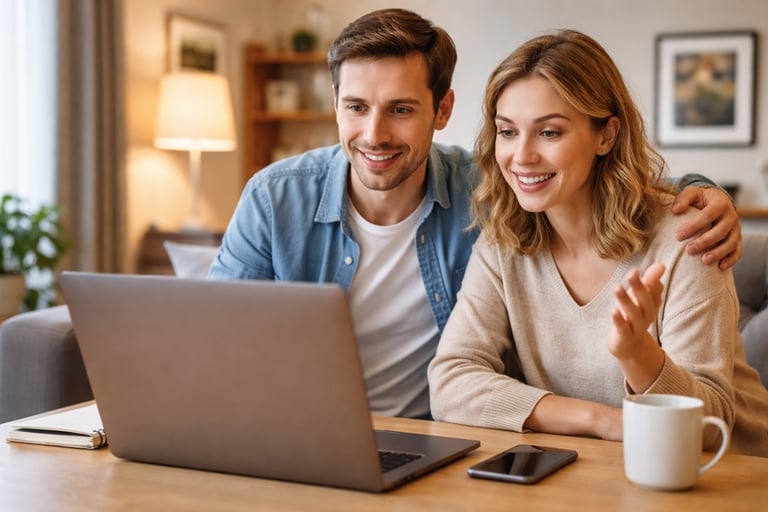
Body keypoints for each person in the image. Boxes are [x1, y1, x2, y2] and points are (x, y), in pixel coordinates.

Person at [209, 9, 742, 420]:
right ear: (335, 103)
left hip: (716, 471)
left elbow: (630, 193)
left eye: (400, 109)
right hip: (305, 435)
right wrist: (603, 422)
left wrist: (703, 191)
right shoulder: (503, 223)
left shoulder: (484, 197)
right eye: (356, 107)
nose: (374, 135)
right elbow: (211, 341)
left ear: (442, 111)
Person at [427, 30, 768, 456]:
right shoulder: (503, 244)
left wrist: (637, 352)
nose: (522, 156)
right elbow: (450, 383)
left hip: (729, 477)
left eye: (550, 133)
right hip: (600, 469)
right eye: (507, 132)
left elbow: (710, 427)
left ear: (606, 136)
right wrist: (600, 421)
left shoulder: (687, 237)